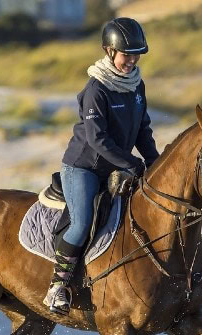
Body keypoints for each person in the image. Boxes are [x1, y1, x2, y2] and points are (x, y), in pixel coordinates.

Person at [44, 17, 160, 315]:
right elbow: (97, 139)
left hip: (118, 166)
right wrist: (131, 163)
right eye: (126, 54)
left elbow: (143, 130)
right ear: (109, 51)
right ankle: (57, 286)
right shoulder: (96, 89)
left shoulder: (136, 86)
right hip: (84, 167)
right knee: (82, 223)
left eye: (136, 55)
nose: (131, 60)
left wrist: (154, 162)